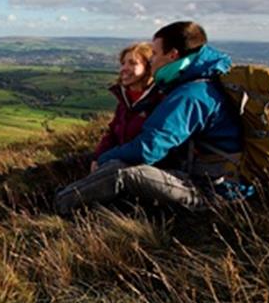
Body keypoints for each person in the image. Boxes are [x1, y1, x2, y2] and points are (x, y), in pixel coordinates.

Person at [56, 21, 250, 214]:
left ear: (173, 55)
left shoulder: (191, 94)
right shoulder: (197, 84)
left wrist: (104, 158)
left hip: (211, 190)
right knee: (119, 165)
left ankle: (57, 205)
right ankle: (70, 196)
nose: (152, 61)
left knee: (123, 173)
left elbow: (148, 149)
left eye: (155, 54)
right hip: (201, 176)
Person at [91, 42, 163, 173]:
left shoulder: (160, 100)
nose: (124, 68)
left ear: (149, 67)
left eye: (132, 63)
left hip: (144, 168)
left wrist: (104, 160)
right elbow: (112, 133)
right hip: (117, 158)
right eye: (123, 63)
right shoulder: (125, 99)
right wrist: (97, 158)